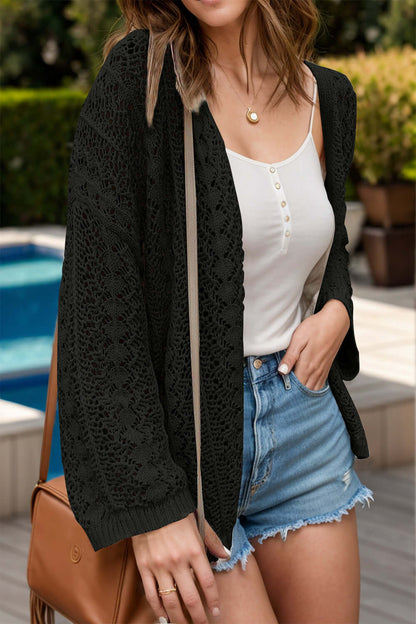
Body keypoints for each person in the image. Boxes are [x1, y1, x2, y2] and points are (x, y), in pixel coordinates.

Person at [57, 1, 374, 623]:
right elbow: (97, 313)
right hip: (188, 454)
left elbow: (322, 239)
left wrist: (339, 305)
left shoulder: (325, 96)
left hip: (305, 430)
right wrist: (154, 508)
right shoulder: (138, 85)